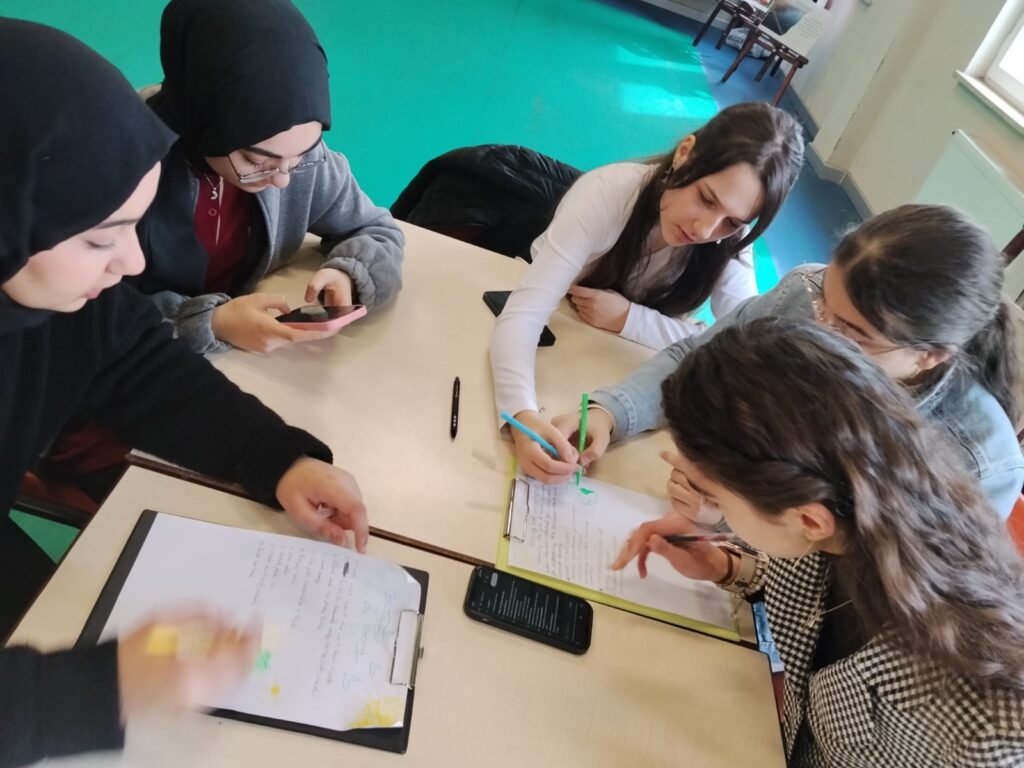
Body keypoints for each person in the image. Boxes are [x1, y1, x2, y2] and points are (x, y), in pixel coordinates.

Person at [0, 19, 368, 765]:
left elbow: (137, 364)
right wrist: (96, 692)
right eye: (101, 238)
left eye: (134, 226)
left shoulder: (61, 300)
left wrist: (276, 456)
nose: (132, 261)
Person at [613, 320, 1024, 767]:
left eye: (717, 499)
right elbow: (813, 598)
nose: (716, 513)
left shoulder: (984, 729)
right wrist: (726, 567)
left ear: (808, 519)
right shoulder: (856, 510)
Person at [561, 205, 1023, 518]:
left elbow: (889, 587)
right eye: (825, 303)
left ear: (930, 355)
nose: (819, 329)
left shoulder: (977, 465)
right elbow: (697, 360)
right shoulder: (804, 292)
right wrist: (610, 412)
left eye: (852, 333)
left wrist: (743, 518)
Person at [490, 102, 804, 481]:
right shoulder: (608, 194)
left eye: (733, 222)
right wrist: (522, 417)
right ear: (685, 153)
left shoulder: (731, 240)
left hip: (614, 359)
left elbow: (735, 348)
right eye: (706, 199)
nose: (706, 230)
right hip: (555, 325)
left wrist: (630, 319)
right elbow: (525, 314)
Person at [135, 0, 404, 356]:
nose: (283, 180)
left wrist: (350, 274)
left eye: (302, 154)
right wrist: (208, 324)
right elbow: (86, 313)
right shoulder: (121, 162)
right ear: (201, 115)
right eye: (256, 160)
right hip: (143, 370)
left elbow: (377, 229)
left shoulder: (298, 155)